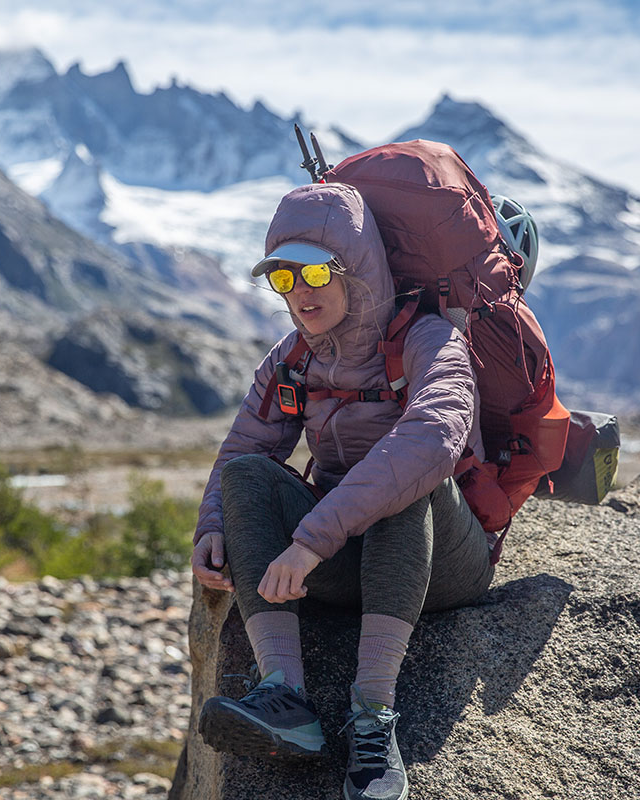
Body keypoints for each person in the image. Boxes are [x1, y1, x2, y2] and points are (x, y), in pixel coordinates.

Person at [191, 181, 495, 800]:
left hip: (443, 563)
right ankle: (285, 698)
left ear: (354, 271)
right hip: (345, 561)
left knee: (401, 477)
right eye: (282, 279)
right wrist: (215, 526)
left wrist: (309, 541)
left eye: (313, 274)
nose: (298, 294)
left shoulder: (429, 341)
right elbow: (247, 448)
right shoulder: (291, 360)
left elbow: (431, 441)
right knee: (248, 477)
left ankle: (373, 719)